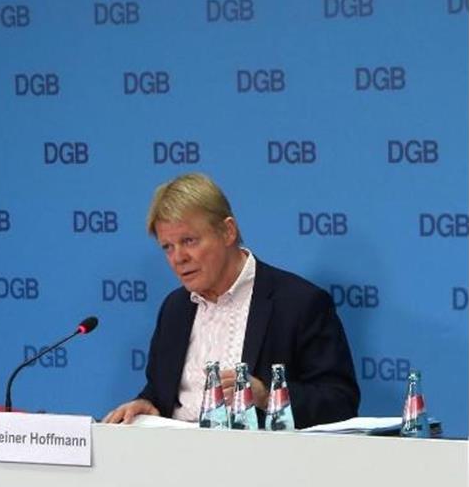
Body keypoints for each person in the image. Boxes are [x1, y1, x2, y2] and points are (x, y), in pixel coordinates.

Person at [103, 173, 359, 428]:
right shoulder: (175, 308)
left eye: (188, 241)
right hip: (175, 457)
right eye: (167, 247)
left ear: (228, 231)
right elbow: (163, 392)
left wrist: (266, 396)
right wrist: (147, 404)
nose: (178, 258)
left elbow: (340, 401)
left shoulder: (298, 303)